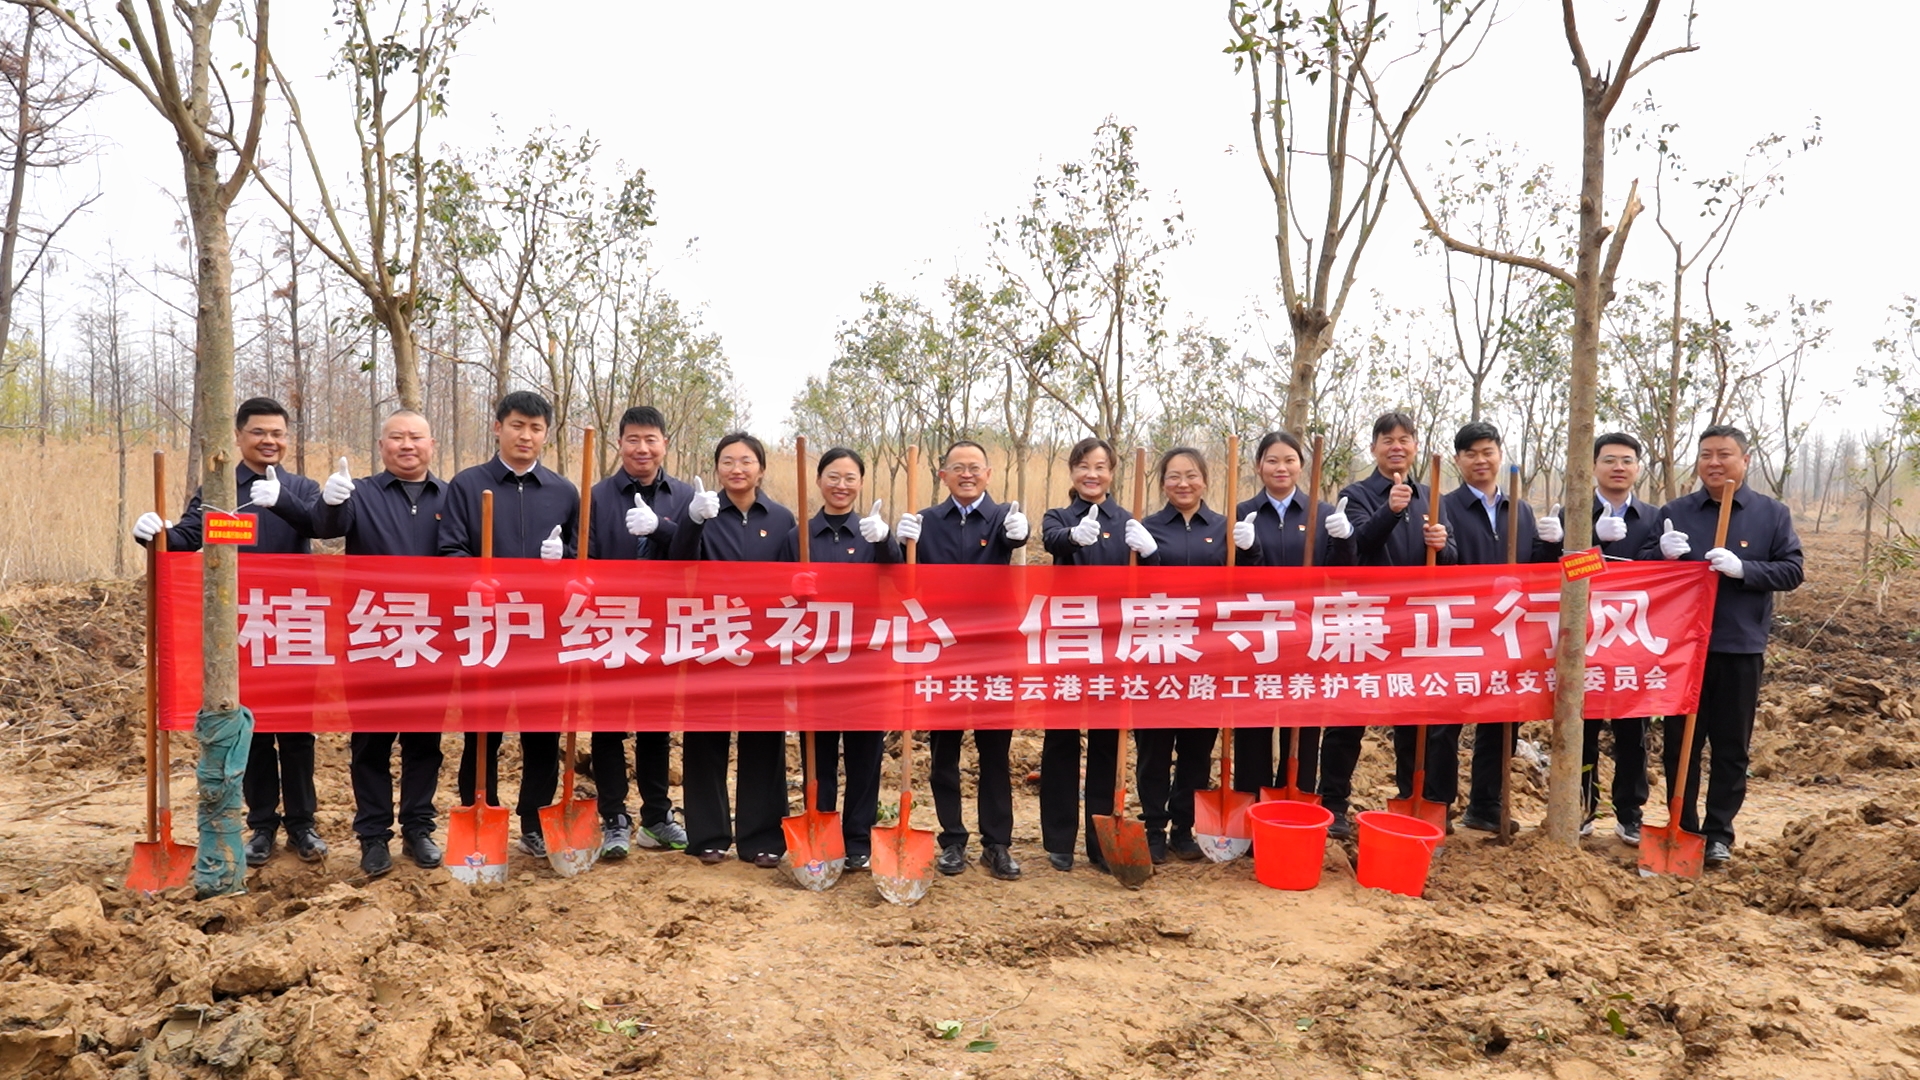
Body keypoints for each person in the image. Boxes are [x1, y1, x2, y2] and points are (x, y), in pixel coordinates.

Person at [134, 396, 326, 867]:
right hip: (241, 626)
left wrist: (284, 500)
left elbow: (322, 524)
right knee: (252, 729)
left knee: (297, 731)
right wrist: (156, 533)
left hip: (295, 623)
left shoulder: (302, 487)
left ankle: (303, 824)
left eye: (278, 433)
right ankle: (261, 825)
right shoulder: (221, 488)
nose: (269, 441)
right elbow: (189, 536)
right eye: (259, 432)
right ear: (238, 437)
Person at [288, 410, 448, 877]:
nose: (406, 445)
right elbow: (323, 526)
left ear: (432, 445)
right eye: (396, 437)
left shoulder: (450, 496)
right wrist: (331, 501)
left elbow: (469, 548)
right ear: (381, 446)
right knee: (371, 742)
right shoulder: (360, 492)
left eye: (415, 437)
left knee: (424, 742)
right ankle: (373, 836)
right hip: (372, 635)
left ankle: (418, 828)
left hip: (431, 637)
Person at [1642, 425, 1802, 866]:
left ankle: (1718, 833)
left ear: (1744, 460)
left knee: (1731, 745)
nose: (1714, 463)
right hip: (1683, 650)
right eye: (1706, 454)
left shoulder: (1771, 514)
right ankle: (1683, 826)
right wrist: (1661, 555)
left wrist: (1744, 569)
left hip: (1739, 646)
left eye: (1724, 454)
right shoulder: (1675, 512)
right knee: (1681, 745)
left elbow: (1792, 570)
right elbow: (1644, 570)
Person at [438, 390, 578, 859]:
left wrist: (564, 559)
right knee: (482, 733)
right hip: (485, 631)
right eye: (517, 425)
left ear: (546, 435)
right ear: (498, 427)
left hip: (543, 633)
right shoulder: (468, 485)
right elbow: (449, 548)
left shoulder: (563, 492)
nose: (526, 435)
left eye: (536, 428)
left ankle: (535, 822)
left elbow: (583, 559)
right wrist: (473, 575)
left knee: (543, 735)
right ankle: (481, 813)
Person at [895, 440, 1029, 881]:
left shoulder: (1003, 516)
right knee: (944, 751)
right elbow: (903, 583)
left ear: (988, 474)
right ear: (943, 475)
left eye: (975, 467)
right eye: (958, 467)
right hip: (944, 653)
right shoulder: (927, 523)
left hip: (994, 652)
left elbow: (1016, 538)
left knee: (995, 751)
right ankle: (952, 840)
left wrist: (1021, 531)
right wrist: (898, 545)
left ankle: (998, 843)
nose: (966, 474)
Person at [668, 432, 797, 867]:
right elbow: (679, 563)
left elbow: (793, 576)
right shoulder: (703, 512)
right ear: (717, 468)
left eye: (746, 461)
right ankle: (708, 835)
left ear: (761, 468)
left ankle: (762, 837)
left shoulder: (781, 518)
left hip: (763, 643)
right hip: (712, 637)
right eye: (727, 461)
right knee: (705, 737)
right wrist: (691, 521)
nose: (736, 469)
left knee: (764, 740)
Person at [1327, 411, 1455, 840]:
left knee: (1414, 718)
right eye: (1387, 440)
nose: (1396, 446)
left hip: (1417, 625)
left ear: (1415, 446)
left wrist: (1444, 546)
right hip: (1367, 621)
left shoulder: (1431, 496)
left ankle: (1412, 797)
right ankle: (1334, 803)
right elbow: (1358, 546)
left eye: (1404, 439)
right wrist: (1390, 510)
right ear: (1374, 448)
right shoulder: (1357, 494)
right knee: (1349, 716)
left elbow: (1452, 559)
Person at [777, 447, 899, 872]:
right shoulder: (798, 538)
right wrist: (792, 588)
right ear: (818, 481)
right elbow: (777, 598)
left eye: (850, 478)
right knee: (819, 755)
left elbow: (899, 578)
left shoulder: (872, 534)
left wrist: (886, 540)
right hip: (815, 661)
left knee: (865, 755)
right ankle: (822, 832)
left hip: (866, 661)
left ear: (861, 483)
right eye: (833, 476)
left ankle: (859, 839)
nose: (841, 485)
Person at [1230, 431, 1356, 834]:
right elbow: (1235, 581)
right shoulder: (1243, 513)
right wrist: (1247, 550)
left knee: (1301, 727)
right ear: (1258, 466)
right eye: (1272, 460)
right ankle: (1251, 813)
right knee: (1253, 728)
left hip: (1307, 638)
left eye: (1289, 460)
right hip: (1258, 639)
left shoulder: (1321, 513)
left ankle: (1294, 809)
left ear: (1301, 466)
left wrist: (1344, 540)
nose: (1280, 468)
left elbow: (1340, 576)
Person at [1445, 421, 1565, 835]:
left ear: (1500, 455)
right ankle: (1440, 804)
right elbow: (1443, 563)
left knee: (1502, 718)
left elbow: (1538, 571)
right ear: (1458, 460)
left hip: (1508, 631)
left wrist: (1551, 545)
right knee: (1446, 719)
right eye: (1471, 454)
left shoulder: (1521, 509)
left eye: (1488, 452)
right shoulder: (1445, 507)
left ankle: (1486, 804)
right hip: (1459, 630)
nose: (1480, 460)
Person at [584, 405, 693, 858]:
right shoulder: (596, 496)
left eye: (651, 439)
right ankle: (613, 816)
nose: (642, 448)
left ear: (665, 443)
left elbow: (696, 556)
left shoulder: (685, 497)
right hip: (611, 624)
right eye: (633, 439)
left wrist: (664, 530)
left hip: (664, 628)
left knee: (655, 726)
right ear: (620, 444)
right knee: (607, 726)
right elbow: (585, 559)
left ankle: (656, 817)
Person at [1133, 447, 1242, 862]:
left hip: (1207, 657)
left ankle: (1183, 827)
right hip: (1157, 654)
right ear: (1162, 483)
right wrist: (1146, 556)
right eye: (1174, 476)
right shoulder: (1145, 528)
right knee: (1154, 751)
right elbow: (1130, 591)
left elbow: (1245, 586)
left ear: (1205, 481)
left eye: (1192, 475)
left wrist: (1249, 553)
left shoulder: (1224, 528)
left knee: (1197, 749)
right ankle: (1153, 827)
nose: (1183, 483)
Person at [1038, 436, 1137, 873]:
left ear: (1112, 473)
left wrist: (1150, 553)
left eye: (1100, 467)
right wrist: (1074, 537)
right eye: (1083, 466)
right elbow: (1053, 541)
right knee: (1061, 738)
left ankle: (1100, 842)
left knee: (1106, 742)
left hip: (1113, 645)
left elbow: (1149, 580)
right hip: (1068, 642)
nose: (1091, 474)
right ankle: (1059, 840)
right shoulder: (1058, 517)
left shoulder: (1128, 522)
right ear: (1072, 472)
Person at [1579, 432, 1661, 845]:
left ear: (1638, 468)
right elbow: (1561, 570)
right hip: (1585, 640)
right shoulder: (1574, 513)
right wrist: (1594, 541)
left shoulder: (1655, 518)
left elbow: (1660, 578)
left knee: (1633, 732)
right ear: (1594, 466)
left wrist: (1665, 555)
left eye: (1627, 460)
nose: (1618, 467)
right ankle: (1581, 807)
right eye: (1609, 460)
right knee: (1583, 730)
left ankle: (1630, 813)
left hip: (1634, 640)